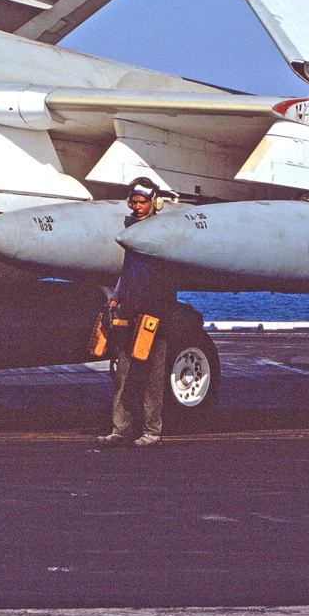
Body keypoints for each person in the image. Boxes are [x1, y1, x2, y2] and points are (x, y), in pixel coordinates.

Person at [96, 177, 178, 448]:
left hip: (156, 315)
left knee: (153, 376)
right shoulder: (130, 228)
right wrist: (115, 299)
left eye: (142, 202)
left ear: (154, 202)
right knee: (123, 373)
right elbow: (126, 271)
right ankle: (120, 429)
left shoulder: (163, 230)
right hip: (129, 311)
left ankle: (152, 431)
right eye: (134, 202)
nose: (137, 206)